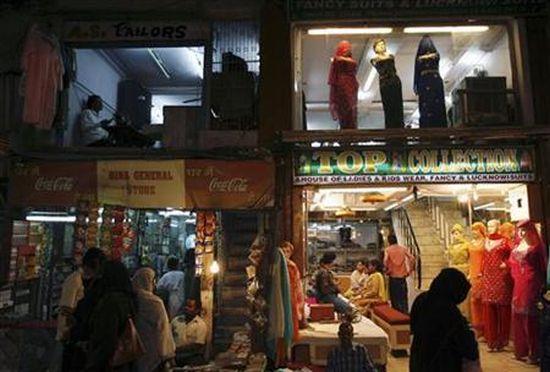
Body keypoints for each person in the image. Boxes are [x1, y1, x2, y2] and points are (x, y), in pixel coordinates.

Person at [410, 268, 480, 372]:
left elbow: (413, 326)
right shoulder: (449, 312)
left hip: (419, 360)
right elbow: (468, 348)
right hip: (442, 364)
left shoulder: (421, 300)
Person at [84, 260, 138, 371]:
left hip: (108, 361)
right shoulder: (129, 299)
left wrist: (94, 364)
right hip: (123, 360)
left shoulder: (111, 302)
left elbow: (107, 337)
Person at [58, 248, 105, 372]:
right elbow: (65, 308)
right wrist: (71, 328)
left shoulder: (88, 281)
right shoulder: (74, 280)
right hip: (69, 335)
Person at [132, 267, 176, 372]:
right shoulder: (154, 302)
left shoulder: (131, 299)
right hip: (154, 350)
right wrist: (168, 354)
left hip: (137, 350)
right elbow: (163, 329)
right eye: (153, 281)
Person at [280, 241, 306, 338]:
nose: (286, 254)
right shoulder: (276, 266)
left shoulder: (292, 266)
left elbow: (297, 286)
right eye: (283, 251)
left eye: (288, 251)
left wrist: (299, 305)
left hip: (291, 296)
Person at [384, 234, 415, 314]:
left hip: (393, 277)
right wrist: (410, 271)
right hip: (402, 277)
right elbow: (412, 258)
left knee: (395, 298)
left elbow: (385, 260)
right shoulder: (403, 249)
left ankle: (396, 315)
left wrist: (387, 269)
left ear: (389, 241)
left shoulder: (388, 250)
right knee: (403, 297)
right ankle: (405, 314)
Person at [171, 299, 207, 367]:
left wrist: (177, 349)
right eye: (186, 306)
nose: (186, 308)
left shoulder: (201, 325)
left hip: (191, 357)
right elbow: (168, 337)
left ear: (197, 310)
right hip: (175, 356)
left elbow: (198, 345)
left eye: (190, 306)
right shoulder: (175, 321)